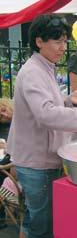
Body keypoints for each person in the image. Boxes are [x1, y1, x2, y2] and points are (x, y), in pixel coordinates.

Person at [6, 14, 77, 238]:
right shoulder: (32, 72)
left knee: (39, 219)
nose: (62, 47)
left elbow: (47, 106)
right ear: (39, 42)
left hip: (44, 157)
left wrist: (69, 100)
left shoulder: (44, 67)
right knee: (41, 224)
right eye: (58, 41)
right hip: (36, 162)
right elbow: (46, 115)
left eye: (65, 41)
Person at [0, 97, 13, 229]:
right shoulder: (3, 125)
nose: (4, 115)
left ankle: (2, 213)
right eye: (1, 115)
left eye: (4, 110)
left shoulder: (20, 121)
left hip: (11, 165)